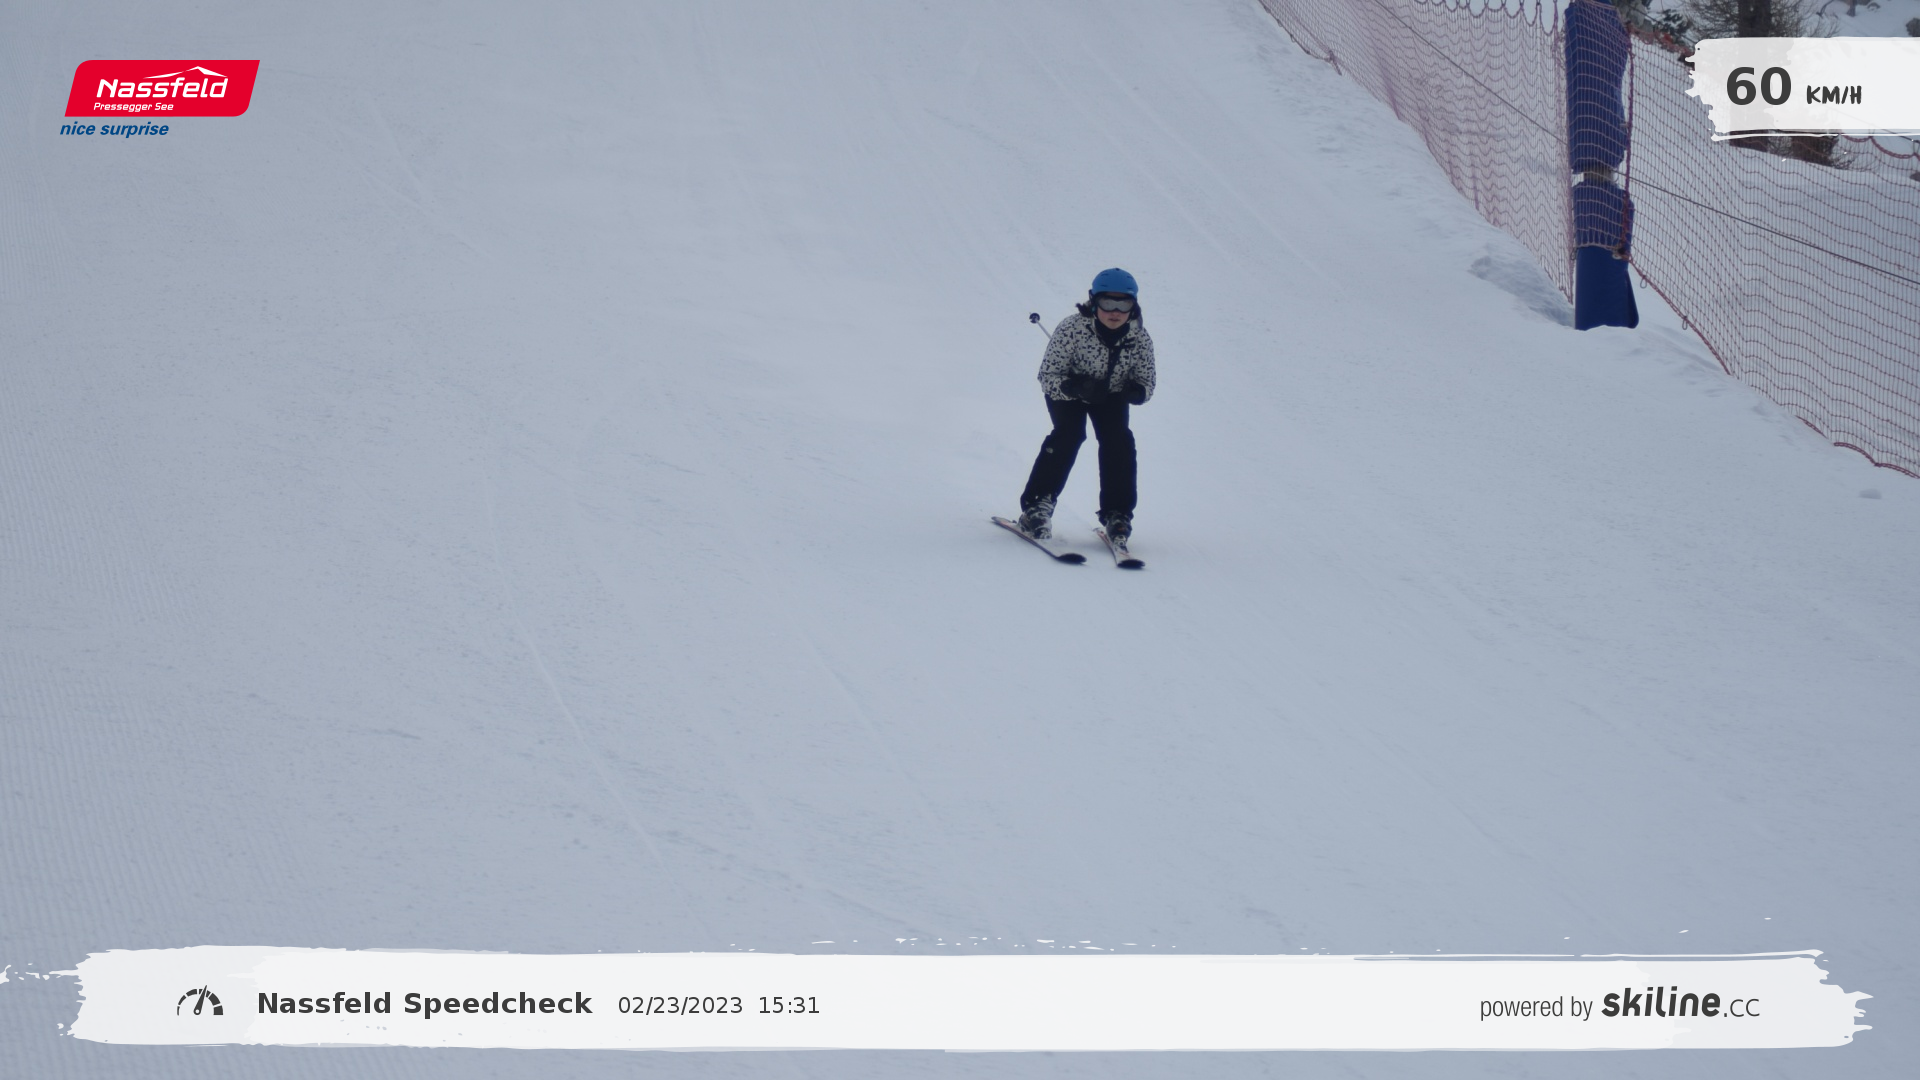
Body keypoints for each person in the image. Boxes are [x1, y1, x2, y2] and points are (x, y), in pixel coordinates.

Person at [1016, 267, 1156, 544]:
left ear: (1134, 305)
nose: (1115, 312)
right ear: (1093, 301)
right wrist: (1075, 387)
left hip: (1111, 396)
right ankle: (1036, 507)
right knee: (1069, 434)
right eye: (1107, 303)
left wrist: (1135, 392)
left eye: (1123, 304)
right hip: (1068, 391)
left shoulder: (1139, 338)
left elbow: (1147, 381)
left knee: (1119, 440)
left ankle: (1118, 514)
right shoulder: (1072, 329)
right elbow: (1048, 375)